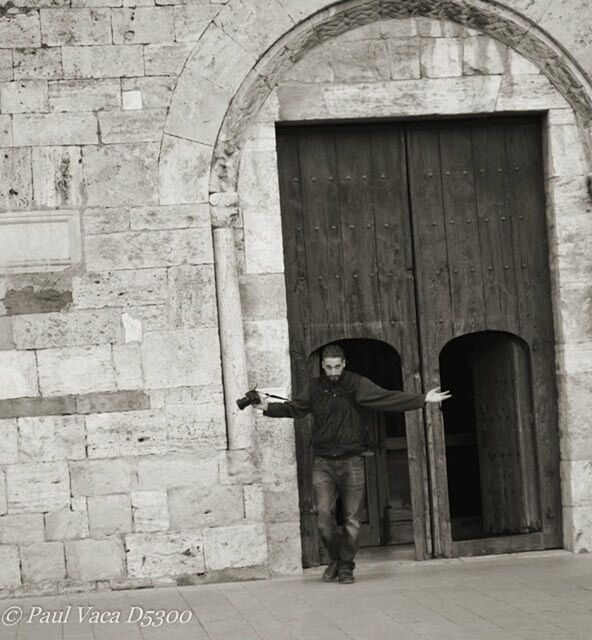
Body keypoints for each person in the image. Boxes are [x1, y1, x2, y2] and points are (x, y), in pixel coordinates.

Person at [254, 343, 451, 585]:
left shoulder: (356, 384)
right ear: (322, 366)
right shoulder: (314, 388)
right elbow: (297, 408)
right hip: (323, 463)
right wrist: (266, 407)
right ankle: (337, 560)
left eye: (337, 367)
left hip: (352, 462)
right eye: (329, 367)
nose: (333, 372)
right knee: (324, 519)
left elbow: (384, 397)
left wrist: (421, 399)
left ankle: (345, 566)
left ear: (344, 364)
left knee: (352, 521)